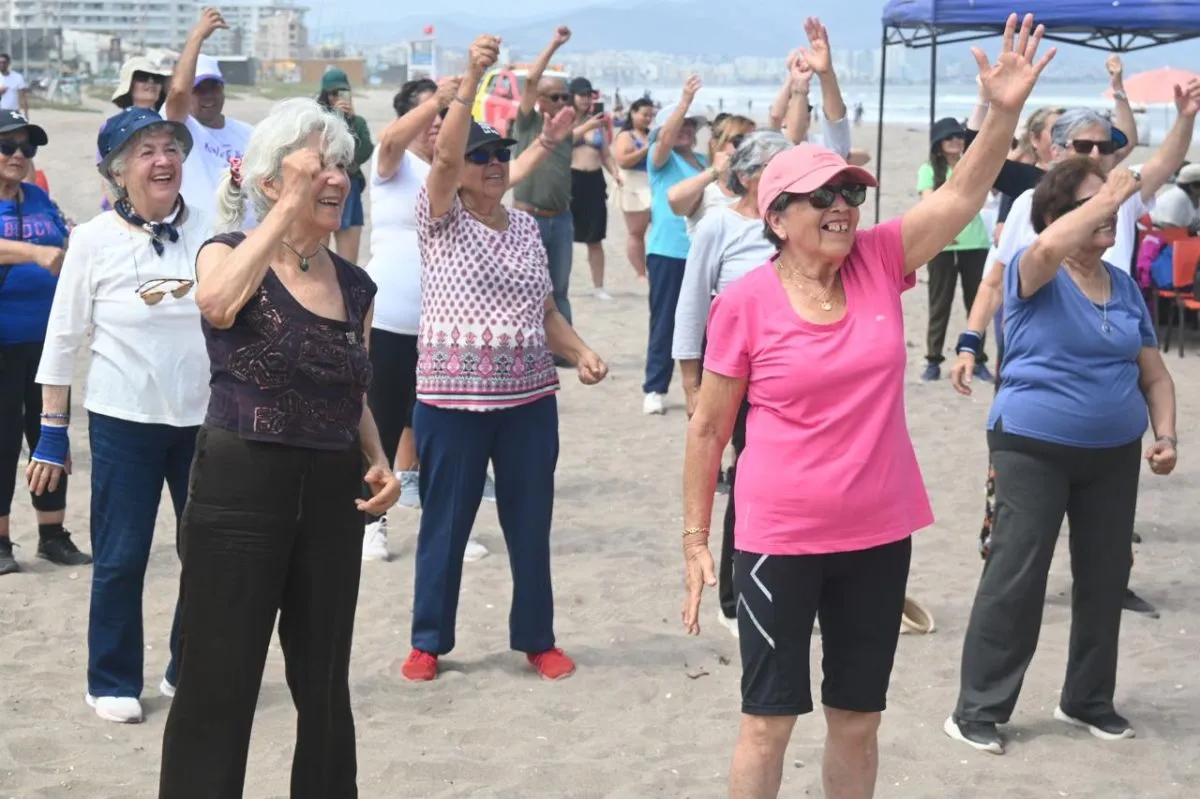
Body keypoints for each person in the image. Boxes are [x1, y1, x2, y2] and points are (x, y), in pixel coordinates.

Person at [679, 15, 1052, 798]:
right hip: (780, 534)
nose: (844, 203)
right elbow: (710, 426)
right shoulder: (745, 302)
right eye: (823, 195)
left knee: (857, 717)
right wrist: (695, 538)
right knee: (767, 719)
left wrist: (1003, 114)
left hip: (878, 532)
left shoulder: (881, 260)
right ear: (776, 218)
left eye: (850, 190)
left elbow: (961, 193)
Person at [158, 98, 400, 796]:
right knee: (219, 678)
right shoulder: (226, 251)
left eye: (341, 166)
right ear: (272, 181)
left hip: (331, 491)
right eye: (318, 164)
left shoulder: (355, 284)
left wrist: (378, 457)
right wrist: (284, 205)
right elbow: (218, 305)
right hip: (240, 487)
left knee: (324, 681)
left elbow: (351, 386)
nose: (337, 178)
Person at [944, 160, 1177, 755]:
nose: (1110, 211)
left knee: (1105, 578)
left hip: (1113, 453)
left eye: (1110, 202)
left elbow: (1154, 374)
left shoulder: (1123, 286)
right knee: (1017, 574)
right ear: (1058, 216)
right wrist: (1114, 193)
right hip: (1032, 445)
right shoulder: (1034, 269)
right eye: (1091, 203)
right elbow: (1047, 247)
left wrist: (1165, 434)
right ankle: (978, 708)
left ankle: (1087, 700)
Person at [399, 35, 608, 684]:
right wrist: (472, 77)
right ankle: (428, 641)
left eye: (500, 157)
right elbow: (444, 159)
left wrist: (580, 349)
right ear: (457, 167)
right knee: (445, 525)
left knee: (528, 524)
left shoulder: (520, 227)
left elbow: (544, 311)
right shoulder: (439, 218)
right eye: (481, 157)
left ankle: (537, 638)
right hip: (451, 403)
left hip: (528, 402)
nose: (494, 165)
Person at [29, 107, 207, 723]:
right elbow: (62, 338)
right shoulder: (93, 240)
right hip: (123, 419)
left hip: (204, 422)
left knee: (206, 555)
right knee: (122, 555)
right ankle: (110, 678)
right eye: (145, 151)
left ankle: (188, 668)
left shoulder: (211, 228)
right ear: (117, 171)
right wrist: (52, 433)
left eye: (170, 148)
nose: (163, 160)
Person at [361, 75, 575, 562]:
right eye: (430, 114)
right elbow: (391, 139)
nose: (440, 121)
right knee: (385, 423)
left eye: (445, 114)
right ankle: (375, 522)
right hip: (393, 320)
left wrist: (546, 141)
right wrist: (445, 98)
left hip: (452, 337)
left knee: (443, 437)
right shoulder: (395, 166)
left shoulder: (466, 171)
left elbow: (510, 171)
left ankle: (449, 524)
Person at [671, 130, 792, 637]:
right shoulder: (718, 225)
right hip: (735, 380)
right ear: (745, 176)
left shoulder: (791, 227)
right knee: (748, 483)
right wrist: (692, 387)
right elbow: (691, 306)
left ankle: (780, 584)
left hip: (790, 380)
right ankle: (733, 598)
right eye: (775, 168)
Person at [0, 111, 89, 576]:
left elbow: (67, 244)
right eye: (8, 146)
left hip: (45, 342)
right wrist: (33, 252)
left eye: (27, 148)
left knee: (49, 436)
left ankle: (52, 535)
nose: (19, 155)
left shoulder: (38, 199)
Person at [643, 75, 708, 416]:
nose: (684, 129)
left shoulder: (704, 162)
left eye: (689, 124)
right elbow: (666, 140)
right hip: (668, 250)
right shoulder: (660, 157)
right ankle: (654, 387)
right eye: (678, 125)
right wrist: (683, 102)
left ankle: (701, 386)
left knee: (705, 322)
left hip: (703, 252)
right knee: (666, 320)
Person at [918, 117, 994, 382]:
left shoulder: (972, 167)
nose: (955, 141)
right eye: (949, 138)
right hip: (941, 244)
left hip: (976, 243)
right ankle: (933, 360)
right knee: (939, 303)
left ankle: (979, 357)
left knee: (976, 304)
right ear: (938, 144)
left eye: (959, 137)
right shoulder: (928, 169)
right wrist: (944, 229)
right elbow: (928, 203)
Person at [163, 8, 255, 225]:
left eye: (213, 87)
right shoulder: (179, 128)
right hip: (197, 242)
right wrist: (197, 36)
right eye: (199, 90)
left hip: (245, 242)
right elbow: (178, 92)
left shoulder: (249, 133)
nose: (208, 96)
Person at [511, 26, 576, 326]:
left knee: (559, 290)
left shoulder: (566, 131)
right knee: (526, 288)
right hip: (529, 219)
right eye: (556, 97)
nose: (563, 102)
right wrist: (554, 44)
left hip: (561, 219)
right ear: (540, 100)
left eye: (566, 97)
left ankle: (565, 351)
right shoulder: (527, 124)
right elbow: (532, 80)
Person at [568, 76, 622, 300]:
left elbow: (606, 154)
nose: (585, 99)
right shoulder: (564, 120)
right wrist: (584, 128)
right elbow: (560, 141)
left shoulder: (597, 123)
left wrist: (616, 173)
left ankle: (598, 286)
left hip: (594, 181)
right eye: (581, 95)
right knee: (565, 235)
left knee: (595, 238)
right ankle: (558, 284)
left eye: (588, 95)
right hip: (571, 180)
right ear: (572, 96)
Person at [99, 56, 173, 211]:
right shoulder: (113, 125)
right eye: (142, 77)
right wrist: (124, 214)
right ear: (129, 84)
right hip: (123, 211)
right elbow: (106, 176)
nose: (151, 82)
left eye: (156, 78)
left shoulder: (171, 123)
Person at [318, 67, 373, 263]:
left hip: (351, 189)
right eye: (332, 94)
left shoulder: (357, 123)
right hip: (320, 188)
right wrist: (335, 117)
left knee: (349, 263)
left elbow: (365, 151)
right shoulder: (316, 121)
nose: (337, 98)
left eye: (342, 93)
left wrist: (348, 120)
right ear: (325, 95)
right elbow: (319, 151)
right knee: (317, 252)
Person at [667, 113, 753, 233]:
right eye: (739, 141)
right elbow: (674, 199)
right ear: (717, 145)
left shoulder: (758, 189)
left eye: (753, 142)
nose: (748, 148)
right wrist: (714, 171)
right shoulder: (706, 191)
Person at [612, 97, 654, 281]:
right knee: (636, 231)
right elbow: (622, 160)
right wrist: (645, 149)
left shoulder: (650, 134)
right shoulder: (625, 135)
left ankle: (647, 268)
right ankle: (640, 272)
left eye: (651, 115)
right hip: (632, 184)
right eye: (644, 114)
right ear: (633, 113)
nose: (647, 118)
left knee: (654, 226)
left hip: (650, 182)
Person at [1149, 162, 1200, 231]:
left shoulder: (1194, 197)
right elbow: (1170, 229)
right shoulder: (1178, 197)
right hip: (1158, 235)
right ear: (1193, 187)